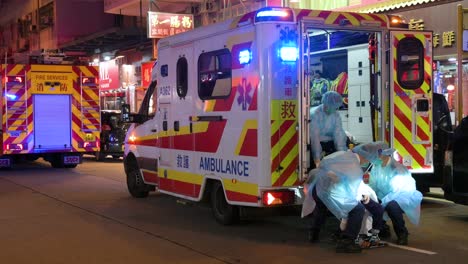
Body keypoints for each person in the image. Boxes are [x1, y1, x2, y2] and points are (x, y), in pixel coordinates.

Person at [303, 147, 374, 253]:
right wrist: (362, 196)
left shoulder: (342, 154)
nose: (368, 161)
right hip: (331, 191)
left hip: (318, 188)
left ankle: (314, 233)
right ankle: (347, 242)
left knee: (320, 207)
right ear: (363, 156)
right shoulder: (354, 166)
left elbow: (322, 163)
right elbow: (352, 189)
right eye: (369, 158)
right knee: (357, 209)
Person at [354, 142, 423, 245]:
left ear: (384, 154)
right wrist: (368, 195)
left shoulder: (397, 168)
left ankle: (402, 234)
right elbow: (373, 186)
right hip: (385, 195)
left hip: (401, 196)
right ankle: (382, 228)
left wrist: (381, 202)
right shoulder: (377, 167)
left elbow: (397, 191)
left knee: (392, 207)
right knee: (369, 203)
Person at [309, 91, 348, 169]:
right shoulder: (314, 114)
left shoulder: (336, 115)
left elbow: (338, 134)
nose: (336, 109)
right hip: (315, 145)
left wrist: (342, 154)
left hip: (328, 143)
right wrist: (317, 158)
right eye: (334, 107)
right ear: (326, 105)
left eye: (336, 108)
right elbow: (314, 138)